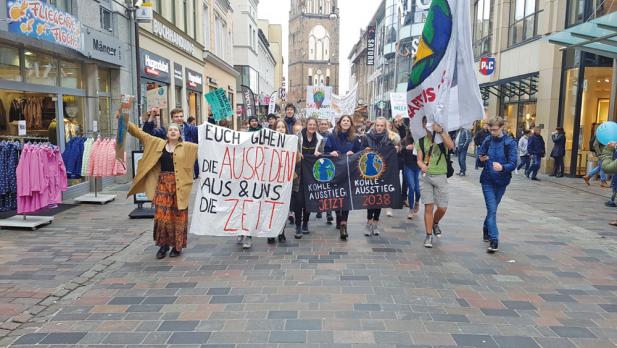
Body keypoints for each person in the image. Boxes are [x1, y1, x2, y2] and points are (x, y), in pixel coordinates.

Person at [120, 113, 198, 259]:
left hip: (180, 186)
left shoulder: (189, 147)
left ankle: (177, 246)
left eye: (176, 130)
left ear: (180, 133)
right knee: (162, 216)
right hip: (162, 184)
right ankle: (163, 245)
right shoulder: (157, 143)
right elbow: (139, 133)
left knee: (178, 216)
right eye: (170, 130)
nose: (173, 131)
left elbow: (210, 150)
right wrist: (123, 120)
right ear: (167, 134)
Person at [477, 117, 518, 253]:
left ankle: (486, 227)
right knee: (492, 209)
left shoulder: (509, 142)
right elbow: (480, 157)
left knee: (492, 209)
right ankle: (494, 240)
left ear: (501, 128)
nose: (492, 132)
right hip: (487, 179)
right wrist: (481, 159)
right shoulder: (487, 140)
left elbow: (513, 163)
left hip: (502, 181)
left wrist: (502, 167)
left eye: (495, 130)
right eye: (491, 130)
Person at [416, 117, 454, 248]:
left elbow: (451, 146)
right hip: (425, 177)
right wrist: (422, 165)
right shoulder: (421, 141)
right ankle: (428, 236)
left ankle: (435, 222)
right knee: (429, 207)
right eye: (426, 123)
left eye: (430, 123)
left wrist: (441, 131)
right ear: (423, 125)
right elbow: (419, 159)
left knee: (442, 207)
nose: (428, 126)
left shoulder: (442, 138)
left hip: (441, 176)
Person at [324, 115, 363, 240]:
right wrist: (331, 153)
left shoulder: (355, 138)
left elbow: (360, 153)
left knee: (346, 197)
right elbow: (326, 151)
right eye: (343, 121)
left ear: (350, 124)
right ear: (339, 123)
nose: (345, 122)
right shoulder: (331, 136)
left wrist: (354, 153)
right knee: (336, 195)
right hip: (335, 171)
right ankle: (338, 217)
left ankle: (343, 223)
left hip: (348, 171)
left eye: (348, 121)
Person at [361, 117, 400, 236]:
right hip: (370, 172)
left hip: (385, 172)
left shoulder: (390, 138)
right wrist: (364, 150)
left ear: (385, 126)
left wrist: (396, 149)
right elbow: (360, 151)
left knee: (379, 199)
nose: (379, 127)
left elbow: (397, 149)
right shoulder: (367, 137)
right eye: (377, 125)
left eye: (382, 125)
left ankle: (375, 223)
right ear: (374, 126)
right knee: (370, 198)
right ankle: (368, 222)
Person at [143, 107, 199, 178]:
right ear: (172, 118)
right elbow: (149, 133)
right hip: (172, 165)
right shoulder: (166, 129)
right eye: (176, 117)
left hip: (188, 165)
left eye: (181, 116)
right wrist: (151, 116)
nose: (179, 118)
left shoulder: (192, 129)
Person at [293, 117, 322, 239]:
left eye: (314, 125)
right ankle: (298, 226)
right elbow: (291, 151)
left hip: (311, 174)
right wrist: (297, 154)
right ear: (306, 125)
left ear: (316, 126)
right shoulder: (297, 137)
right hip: (298, 173)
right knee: (299, 201)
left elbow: (321, 155)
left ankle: (305, 223)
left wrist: (318, 154)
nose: (312, 127)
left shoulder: (320, 139)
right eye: (310, 124)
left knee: (308, 200)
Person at [316, 118, 334, 224]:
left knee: (328, 189)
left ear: (328, 125)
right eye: (321, 124)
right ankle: (319, 208)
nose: (323, 125)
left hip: (328, 163)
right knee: (319, 188)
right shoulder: (315, 135)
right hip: (317, 163)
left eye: (325, 124)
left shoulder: (331, 136)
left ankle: (329, 212)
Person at [401, 127, 421, 220]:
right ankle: (411, 209)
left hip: (418, 167)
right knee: (412, 187)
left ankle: (417, 202)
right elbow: (399, 151)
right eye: (412, 129)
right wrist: (406, 148)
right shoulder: (405, 140)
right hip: (408, 167)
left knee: (418, 189)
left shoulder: (421, 140)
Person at [393, 116, 409, 211]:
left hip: (404, 157)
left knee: (405, 178)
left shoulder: (405, 130)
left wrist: (401, 126)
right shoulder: (391, 131)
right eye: (395, 121)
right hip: (394, 157)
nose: (397, 122)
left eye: (398, 121)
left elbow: (405, 138)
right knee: (395, 177)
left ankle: (404, 197)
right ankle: (396, 196)